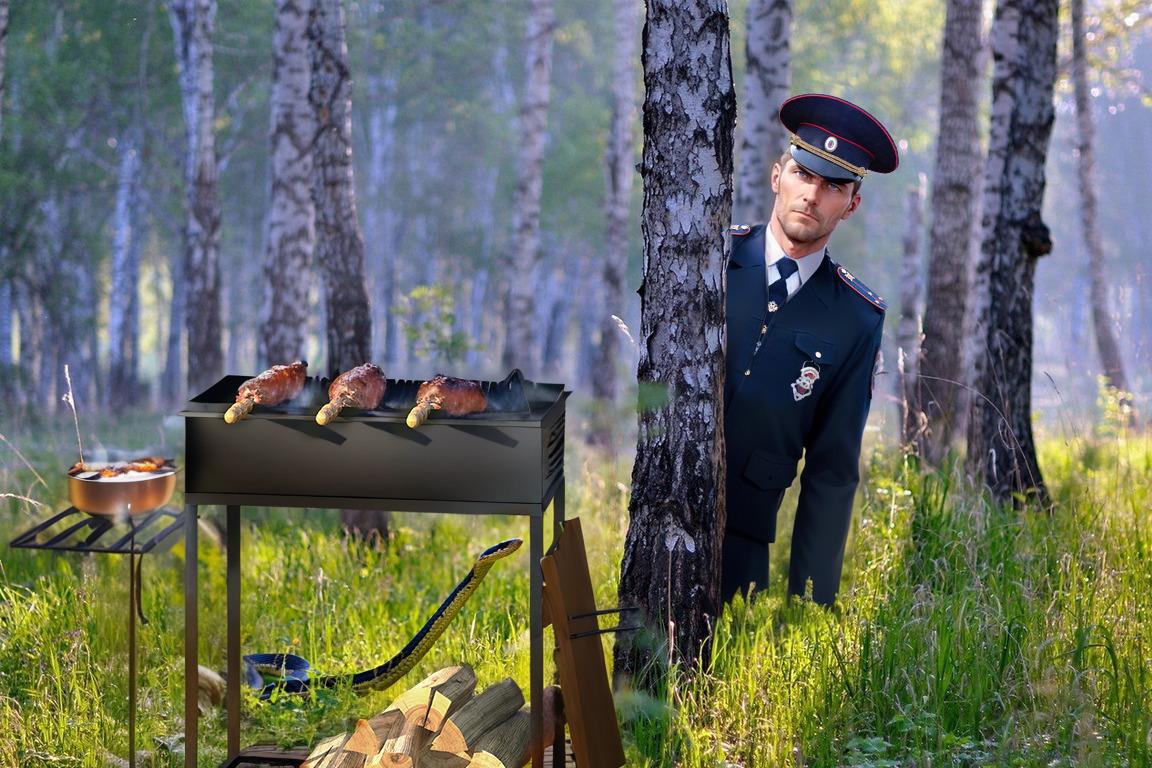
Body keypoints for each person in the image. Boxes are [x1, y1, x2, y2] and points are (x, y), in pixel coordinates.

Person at [722, 93, 899, 606]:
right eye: (803, 174)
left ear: (852, 204)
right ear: (778, 176)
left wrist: (810, 603)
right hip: (661, 514)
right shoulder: (710, 258)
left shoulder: (856, 317)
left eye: (833, 186)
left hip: (747, 537)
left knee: (728, 677)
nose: (812, 196)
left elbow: (833, 469)